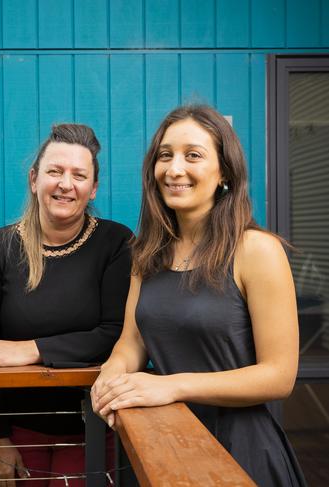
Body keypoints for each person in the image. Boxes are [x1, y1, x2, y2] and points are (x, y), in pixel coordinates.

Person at [91, 105, 306, 486]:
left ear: (224, 171)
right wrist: (111, 379)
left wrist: (170, 385)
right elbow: (130, 344)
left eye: (193, 155)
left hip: (241, 451)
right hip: (160, 443)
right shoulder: (146, 254)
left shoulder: (257, 250)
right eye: (165, 155)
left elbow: (279, 376)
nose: (174, 169)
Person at [0, 124, 133, 486]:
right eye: (55, 171)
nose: (65, 184)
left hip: (93, 426)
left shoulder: (116, 243)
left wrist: (33, 350)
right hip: (18, 429)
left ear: (93, 188)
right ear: (34, 178)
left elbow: (115, 333)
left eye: (79, 175)